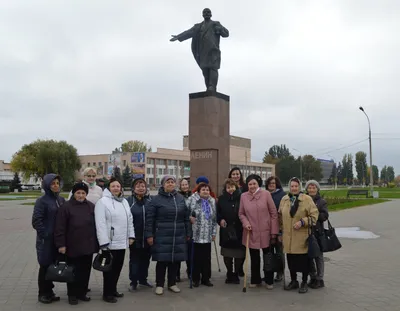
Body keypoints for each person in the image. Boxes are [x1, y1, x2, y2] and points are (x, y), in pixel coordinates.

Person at [145, 176, 191, 296]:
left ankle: (172, 283)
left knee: (175, 261)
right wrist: (149, 235)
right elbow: (150, 219)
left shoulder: (180, 198)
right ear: (163, 184)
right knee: (162, 261)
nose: (170, 184)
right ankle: (159, 284)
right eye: (168, 182)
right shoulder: (155, 200)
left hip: (178, 234)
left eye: (172, 182)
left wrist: (188, 233)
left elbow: (186, 217)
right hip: (162, 234)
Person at [54, 182, 98, 305]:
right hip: (72, 246)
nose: (80, 195)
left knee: (85, 271)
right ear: (73, 194)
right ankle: (72, 294)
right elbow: (60, 227)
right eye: (78, 193)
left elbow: (96, 225)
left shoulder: (91, 206)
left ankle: (82, 293)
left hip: (88, 246)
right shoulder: (66, 207)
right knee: (73, 271)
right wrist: (61, 245)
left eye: (83, 193)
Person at [95, 177, 135, 303]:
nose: (116, 188)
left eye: (118, 186)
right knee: (109, 270)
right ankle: (107, 293)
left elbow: (130, 220)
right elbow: (100, 224)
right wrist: (103, 243)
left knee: (117, 268)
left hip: (122, 242)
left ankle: (113, 289)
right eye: (113, 186)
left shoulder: (124, 202)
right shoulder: (102, 202)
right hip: (110, 244)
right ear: (109, 188)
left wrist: (131, 236)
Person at [279, 177, 319, 294]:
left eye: (296, 186)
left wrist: (303, 222)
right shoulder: (285, 199)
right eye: (292, 186)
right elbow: (279, 217)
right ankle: (293, 281)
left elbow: (314, 217)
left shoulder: (306, 199)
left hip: (302, 237)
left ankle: (304, 282)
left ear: (299, 187)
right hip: (288, 237)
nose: (294, 188)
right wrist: (280, 232)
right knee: (291, 261)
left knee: (303, 262)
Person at [239, 174, 279, 289]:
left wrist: (273, 232)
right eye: (250, 184)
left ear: (258, 184)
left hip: (266, 231)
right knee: (254, 257)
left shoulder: (266, 194)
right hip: (251, 232)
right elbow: (241, 213)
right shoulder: (243, 196)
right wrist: (246, 223)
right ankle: (256, 279)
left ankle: (269, 280)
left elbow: (273, 213)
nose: (252, 186)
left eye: (254, 183)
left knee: (268, 257)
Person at [32, 174, 65, 304]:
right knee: (45, 266)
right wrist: (45, 234)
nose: (55, 185)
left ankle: (50, 292)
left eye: (57, 183)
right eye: (52, 183)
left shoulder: (61, 200)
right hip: (46, 241)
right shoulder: (42, 201)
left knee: (52, 266)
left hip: (57, 240)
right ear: (47, 185)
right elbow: (36, 221)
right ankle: (43, 293)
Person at [126, 178, 153, 291]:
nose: (141, 188)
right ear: (134, 188)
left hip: (148, 237)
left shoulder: (150, 201)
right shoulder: (128, 201)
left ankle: (143, 279)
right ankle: (133, 281)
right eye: (138, 186)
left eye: (143, 186)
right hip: (135, 237)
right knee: (134, 260)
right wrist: (129, 236)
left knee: (146, 259)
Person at [189, 183, 217, 287]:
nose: (205, 191)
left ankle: (206, 278)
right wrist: (189, 218)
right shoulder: (193, 200)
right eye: (203, 190)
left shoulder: (212, 202)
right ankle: (196, 279)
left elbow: (214, 219)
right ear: (199, 191)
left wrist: (214, 233)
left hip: (207, 235)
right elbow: (187, 212)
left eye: (207, 190)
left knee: (207, 259)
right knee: (196, 259)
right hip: (196, 235)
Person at [217, 179, 245, 284]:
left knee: (239, 254)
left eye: (232, 186)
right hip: (226, 230)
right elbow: (218, 213)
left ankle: (236, 273)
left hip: (239, 230)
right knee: (227, 254)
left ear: (236, 187)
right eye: (228, 187)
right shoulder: (221, 199)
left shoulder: (242, 198)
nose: (230, 189)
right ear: (225, 188)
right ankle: (229, 272)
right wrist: (220, 220)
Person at [305, 180, 329, 289]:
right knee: (308, 256)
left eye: (313, 187)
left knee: (318, 256)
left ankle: (320, 279)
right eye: (309, 188)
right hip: (306, 232)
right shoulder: (303, 200)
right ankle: (313, 277)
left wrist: (314, 213)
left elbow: (324, 216)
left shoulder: (321, 202)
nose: (311, 190)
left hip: (318, 232)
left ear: (317, 189)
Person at [265, 176, 286, 282]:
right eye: (269, 183)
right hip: (266, 228)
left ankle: (280, 272)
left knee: (279, 252)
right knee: (268, 252)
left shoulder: (282, 195)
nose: (271, 185)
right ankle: (269, 272)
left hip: (279, 229)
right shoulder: (264, 194)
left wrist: (281, 231)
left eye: (273, 183)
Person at [176, 178, 192, 282]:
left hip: (191, 226)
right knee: (178, 251)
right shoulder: (177, 197)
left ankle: (190, 271)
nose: (185, 186)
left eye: (186, 184)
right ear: (180, 186)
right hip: (180, 227)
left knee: (190, 252)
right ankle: (176, 273)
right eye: (183, 185)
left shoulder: (193, 196)